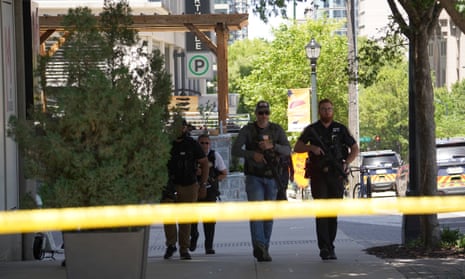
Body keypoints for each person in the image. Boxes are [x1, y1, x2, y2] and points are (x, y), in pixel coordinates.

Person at [294, 98, 359, 260]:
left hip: (336, 174)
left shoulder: (340, 128)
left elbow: (355, 148)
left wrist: (347, 163)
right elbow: (297, 147)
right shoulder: (312, 129)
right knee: (322, 211)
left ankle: (331, 245)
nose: (327, 112)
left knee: (332, 212)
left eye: (329, 109)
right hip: (318, 175)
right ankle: (324, 247)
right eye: (324, 109)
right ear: (319, 111)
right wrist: (311, 148)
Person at [231, 100, 291, 262]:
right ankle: (260, 246)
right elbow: (235, 149)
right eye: (260, 113)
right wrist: (252, 155)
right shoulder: (248, 130)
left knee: (268, 215)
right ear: (256, 114)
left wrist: (272, 146)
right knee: (257, 213)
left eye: (266, 113)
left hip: (272, 176)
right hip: (254, 177)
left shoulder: (276, 130)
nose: (263, 116)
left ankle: (264, 247)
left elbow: (288, 149)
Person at [162, 119, 209, 260]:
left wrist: (203, 184)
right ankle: (171, 245)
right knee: (168, 218)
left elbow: (204, 163)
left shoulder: (191, 144)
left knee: (185, 220)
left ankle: (184, 248)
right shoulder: (166, 143)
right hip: (169, 185)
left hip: (189, 185)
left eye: (181, 127)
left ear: (185, 128)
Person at [189, 134, 228, 255]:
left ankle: (209, 246)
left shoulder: (214, 156)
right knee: (192, 218)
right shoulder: (192, 156)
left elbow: (224, 172)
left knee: (209, 220)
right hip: (194, 190)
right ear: (198, 144)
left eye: (207, 143)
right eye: (202, 143)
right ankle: (194, 236)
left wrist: (214, 179)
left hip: (210, 191)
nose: (205, 145)